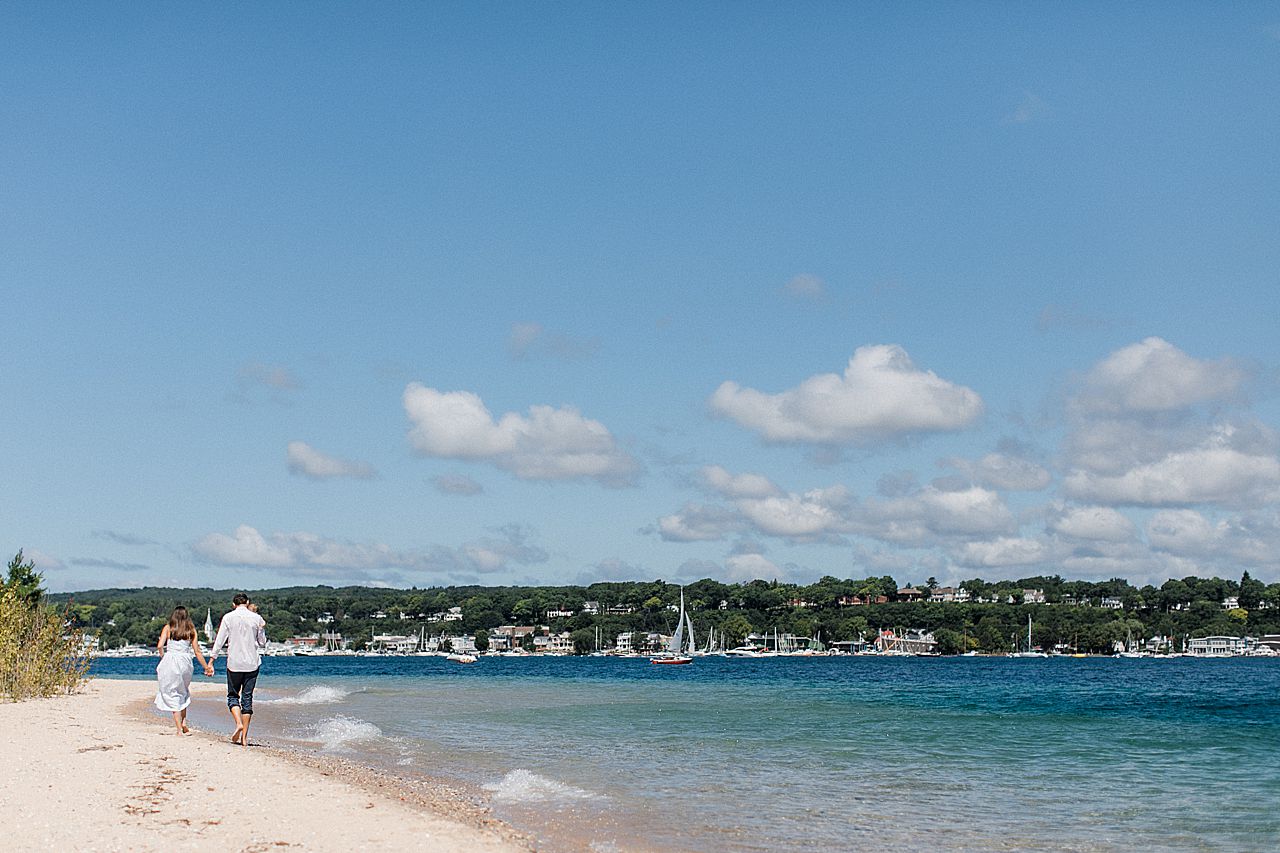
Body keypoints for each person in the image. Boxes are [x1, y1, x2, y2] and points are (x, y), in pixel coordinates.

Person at [209, 592, 267, 746]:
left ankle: (238, 723)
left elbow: (219, 640)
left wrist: (211, 660)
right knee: (247, 698)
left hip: (234, 663)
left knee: (233, 696)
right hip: (252, 663)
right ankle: (244, 738)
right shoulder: (257, 618)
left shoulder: (228, 617)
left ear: (233, 604)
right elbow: (262, 642)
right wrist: (261, 629)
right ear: (247, 602)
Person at [154, 606, 214, 736]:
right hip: (185, 661)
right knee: (183, 690)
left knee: (172, 692)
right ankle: (184, 723)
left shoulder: (168, 628)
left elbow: (159, 646)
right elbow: (197, 651)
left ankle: (179, 729)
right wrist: (206, 667)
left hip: (171, 660)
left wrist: (163, 656)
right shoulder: (191, 630)